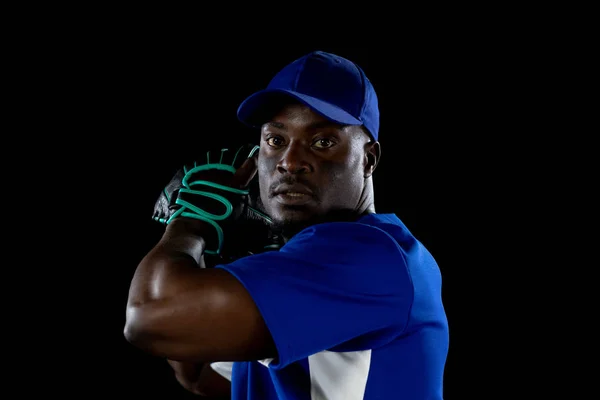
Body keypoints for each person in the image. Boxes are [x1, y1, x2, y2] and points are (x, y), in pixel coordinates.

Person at [124, 50, 449, 399]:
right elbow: (200, 373)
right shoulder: (294, 258)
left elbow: (150, 319)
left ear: (369, 159)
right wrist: (218, 254)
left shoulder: (371, 257)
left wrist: (193, 220)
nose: (290, 162)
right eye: (276, 141)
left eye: (322, 142)